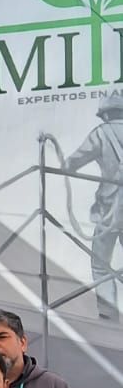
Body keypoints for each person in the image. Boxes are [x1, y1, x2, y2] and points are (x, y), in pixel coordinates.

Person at [65, 95, 123, 322]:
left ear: (106, 114)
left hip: (110, 208)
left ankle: (108, 313)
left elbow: (74, 161)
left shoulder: (102, 133)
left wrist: (66, 167)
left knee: (100, 263)